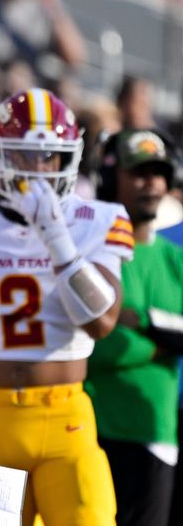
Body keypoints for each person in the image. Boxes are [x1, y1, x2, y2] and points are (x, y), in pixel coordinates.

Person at [0, 88, 132, 526]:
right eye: (22, 155)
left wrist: (58, 241)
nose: (36, 169)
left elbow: (102, 323)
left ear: (67, 157)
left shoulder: (99, 220)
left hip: (65, 417)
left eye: (48, 156)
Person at [85, 128, 183, 526]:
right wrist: (156, 341)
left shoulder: (175, 260)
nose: (152, 184)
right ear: (112, 177)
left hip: (150, 431)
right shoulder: (86, 250)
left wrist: (135, 319)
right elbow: (95, 347)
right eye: (139, 172)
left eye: (158, 173)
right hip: (87, 429)